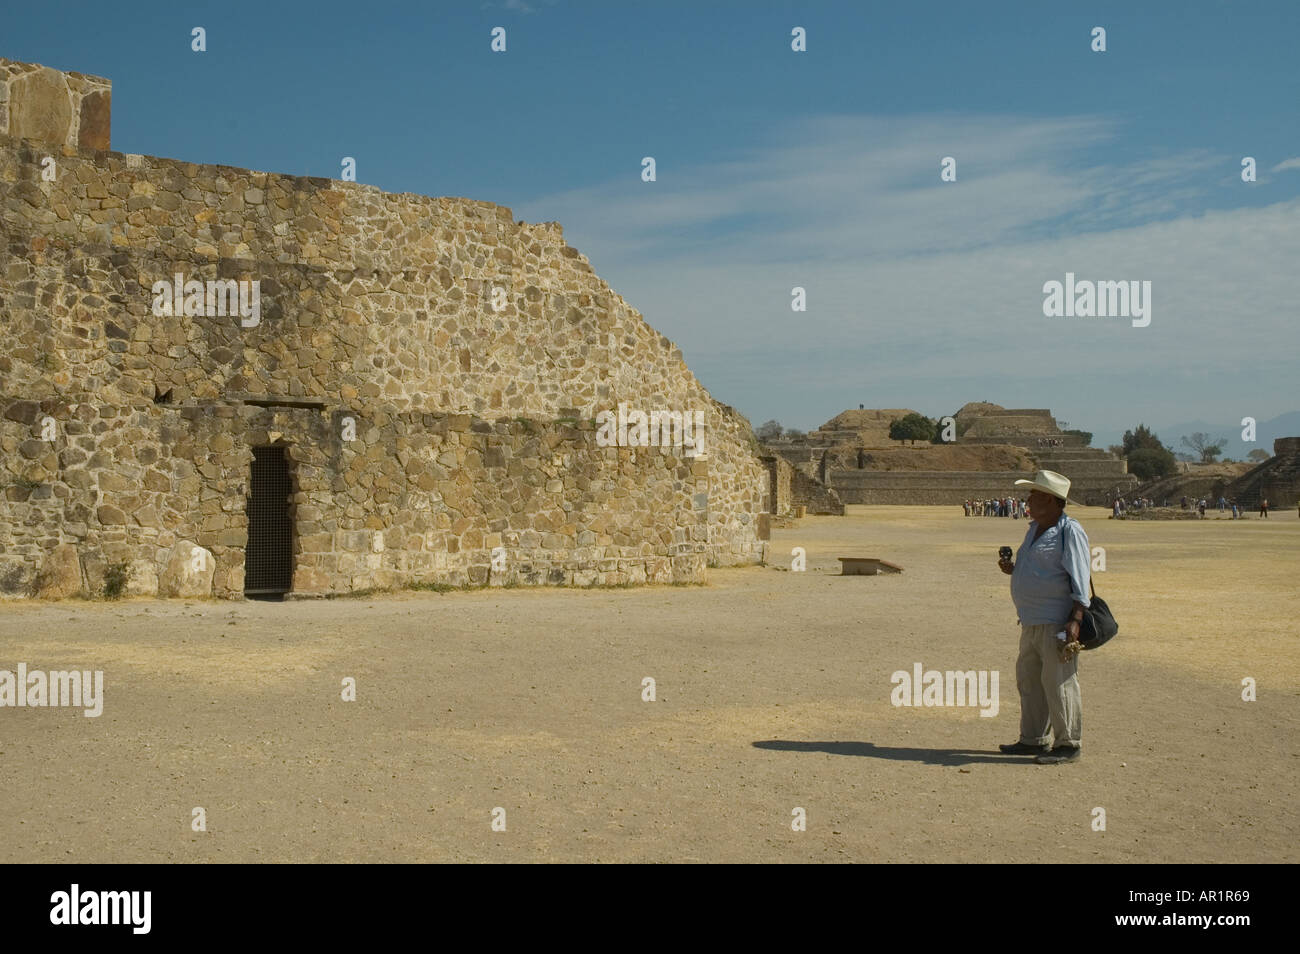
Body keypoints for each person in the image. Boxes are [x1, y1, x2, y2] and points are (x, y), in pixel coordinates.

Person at [997, 470, 1089, 765]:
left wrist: (1075, 620)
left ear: (1050, 500)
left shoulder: (1069, 531)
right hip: (1030, 620)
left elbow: (1080, 578)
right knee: (1030, 680)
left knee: (1058, 681)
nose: (1028, 500)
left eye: (1034, 495)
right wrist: (1014, 570)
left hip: (1056, 622)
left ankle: (1068, 743)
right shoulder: (1034, 529)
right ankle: (1033, 738)